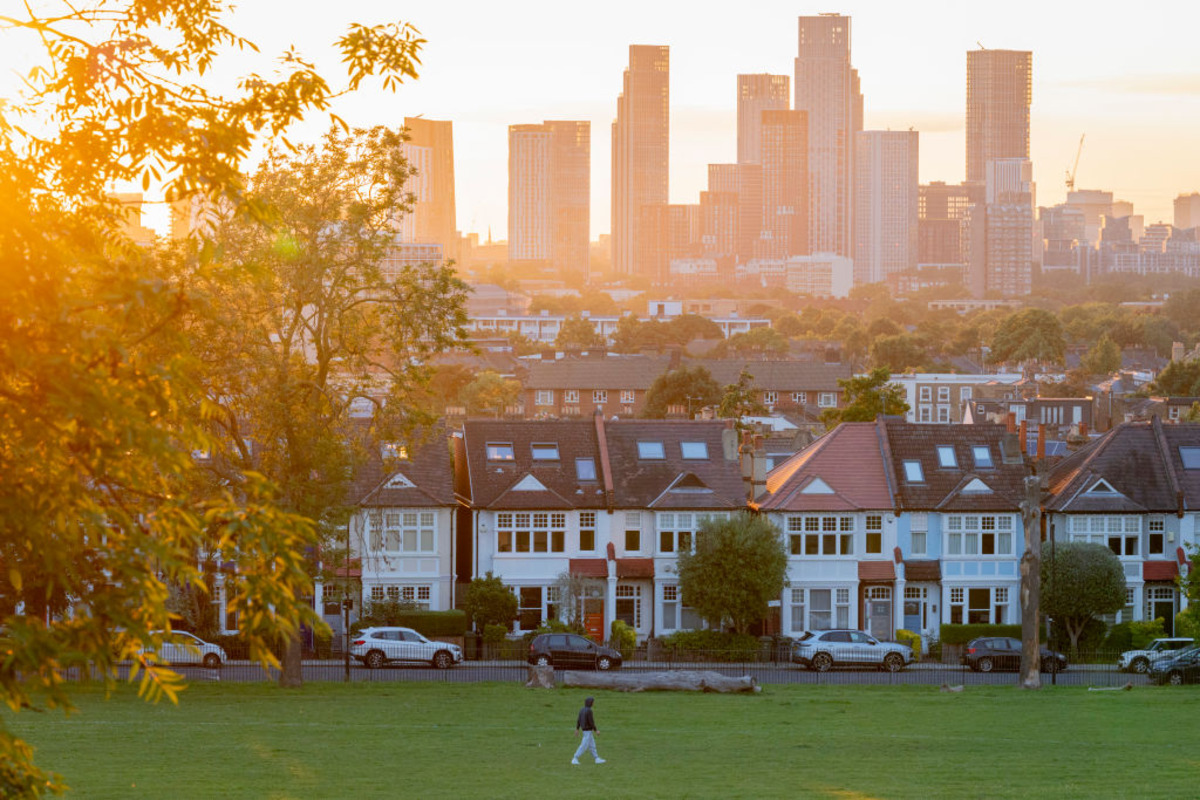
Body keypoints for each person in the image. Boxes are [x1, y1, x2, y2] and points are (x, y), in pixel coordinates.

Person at [572, 696, 605, 765]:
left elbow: (579, 720)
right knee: (584, 745)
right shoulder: (589, 711)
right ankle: (575, 758)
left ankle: (596, 758)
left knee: (592, 745)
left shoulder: (581, 710)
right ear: (590, 703)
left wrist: (577, 729)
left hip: (585, 731)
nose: (593, 704)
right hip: (588, 731)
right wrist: (596, 730)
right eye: (593, 702)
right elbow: (591, 722)